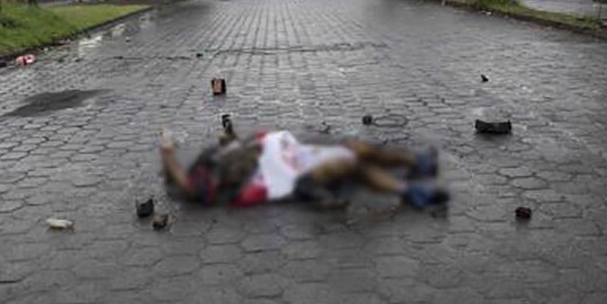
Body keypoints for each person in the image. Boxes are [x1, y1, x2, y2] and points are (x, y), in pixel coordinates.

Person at [159, 129, 447, 209]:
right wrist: (168, 155)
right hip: (287, 175)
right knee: (351, 163)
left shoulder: (218, 157)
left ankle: (417, 163)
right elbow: (185, 186)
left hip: (291, 154)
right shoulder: (211, 179)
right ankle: (408, 191)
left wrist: (231, 141)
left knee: (357, 147)